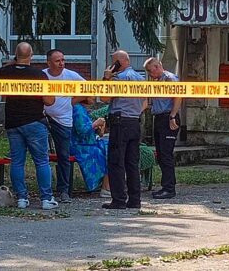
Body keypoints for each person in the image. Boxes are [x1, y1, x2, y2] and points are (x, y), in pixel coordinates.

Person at [0, 42, 59, 210]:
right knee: (41, 161)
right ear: (31, 55)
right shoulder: (38, 75)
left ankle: (21, 199)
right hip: (34, 122)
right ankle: (46, 199)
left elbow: (7, 75)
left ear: (15, 55)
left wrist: (15, 61)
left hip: (13, 122)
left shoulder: (3, 72)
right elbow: (49, 100)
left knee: (17, 162)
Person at [100, 50, 146, 209]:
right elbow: (145, 102)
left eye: (113, 62)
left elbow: (104, 98)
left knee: (116, 161)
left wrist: (106, 78)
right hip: (134, 122)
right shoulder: (140, 78)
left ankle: (118, 199)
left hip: (120, 123)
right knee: (132, 163)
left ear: (119, 62)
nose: (111, 65)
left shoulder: (118, 78)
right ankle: (135, 200)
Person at [43, 49, 85, 203]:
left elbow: (88, 89)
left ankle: (63, 190)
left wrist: (72, 101)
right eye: (57, 61)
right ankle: (44, 190)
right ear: (49, 63)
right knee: (41, 155)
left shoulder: (71, 75)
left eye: (62, 60)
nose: (61, 63)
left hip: (64, 121)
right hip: (44, 118)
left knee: (63, 156)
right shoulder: (43, 76)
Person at [144, 57, 181, 199]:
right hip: (159, 118)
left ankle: (169, 189)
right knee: (161, 154)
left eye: (149, 71)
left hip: (168, 118)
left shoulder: (169, 78)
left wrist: (172, 116)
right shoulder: (157, 81)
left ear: (157, 67)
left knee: (166, 154)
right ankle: (167, 185)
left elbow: (178, 97)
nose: (149, 74)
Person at [70, 98, 110, 196]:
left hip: (88, 142)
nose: (94, 97)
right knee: (110, 149)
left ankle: (107, 184)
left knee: (112, 146)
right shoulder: (77, 109)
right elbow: (82, 131)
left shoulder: (82, 108)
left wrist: (98, 129)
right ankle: (106, 187)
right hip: (79, 146)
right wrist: (96, 123)